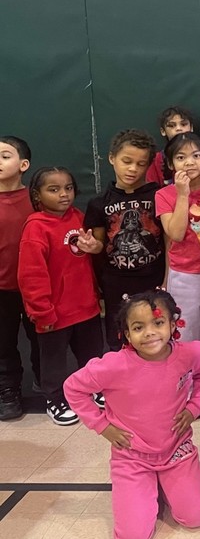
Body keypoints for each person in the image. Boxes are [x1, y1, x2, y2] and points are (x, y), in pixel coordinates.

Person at [64, 291, 200, 539]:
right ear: (125, 333)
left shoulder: (192, 354)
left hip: (176, 450)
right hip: (131, 456)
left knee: (196, 517)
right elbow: (73, 388)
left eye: (157, 323)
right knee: (132, 537)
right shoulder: (112, 366)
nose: (149, 333)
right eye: (138, 327)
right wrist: (102, 426)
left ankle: (166, 483)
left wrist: (194, 407)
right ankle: (148, 485)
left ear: (172, 323)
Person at [18, 167, 104, 425]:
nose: (63, 194)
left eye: (68, 188)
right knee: (54, 362)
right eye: (53, 190)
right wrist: (42, 311)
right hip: (54, 312)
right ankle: (54, 399)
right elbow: (31, 275)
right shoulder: (36, 228)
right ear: (37, 195)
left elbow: (86, 260)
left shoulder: (78, 217)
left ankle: (93, 388)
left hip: (85, 307)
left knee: (91, 354)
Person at [86, 130, 166, 350]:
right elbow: (101, 245)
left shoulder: (159, 196)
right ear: (112, 158)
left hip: (153, 279)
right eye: (127, 161)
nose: (133, 169)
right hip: (116, 282)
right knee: (119, 337)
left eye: (141, 164)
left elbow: (169, 244)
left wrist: (167, 278)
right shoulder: (98, 203)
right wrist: (94, 247)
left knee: (156, 334)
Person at [155, 133, 200, 372]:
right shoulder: (164, 195)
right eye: (181, 157)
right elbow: (175, 233)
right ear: (170, 164)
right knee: (186, 332)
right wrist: (183, 194)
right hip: (183, 274)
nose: (189, 162)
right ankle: (188, 381)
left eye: (196, 156)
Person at [0, 135, 36, 420]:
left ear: (23, 164)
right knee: (3, 344)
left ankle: (49, 387)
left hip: (36, 288)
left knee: (43, 342)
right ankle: (8, 391)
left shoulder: (38, 198)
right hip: (2, 289)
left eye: (4, 155)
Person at [145, 106, 200, 185]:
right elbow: (152, 186)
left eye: (183, 124)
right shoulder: (157, 159)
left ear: (191, 127)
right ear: (163, 131)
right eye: (171, 126)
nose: (178, 128)